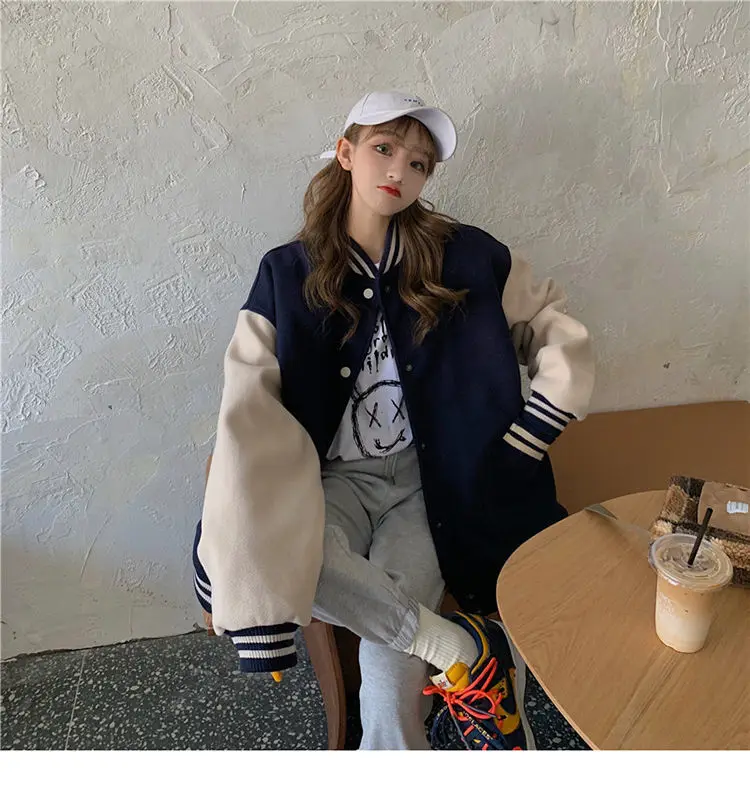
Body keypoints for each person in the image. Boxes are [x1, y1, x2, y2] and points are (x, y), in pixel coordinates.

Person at [192, 90, 595, 751]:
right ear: (346, 153)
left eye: (418, 163)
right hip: (331, 483)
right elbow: (247, 400)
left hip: (428, 485)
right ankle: (464, 648)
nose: (398, 171)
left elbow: (554, 325)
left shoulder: (469, 256)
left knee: (386, 671)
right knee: (281, 551)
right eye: (384, 149)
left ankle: (430, 681)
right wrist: (229, 538)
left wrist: (532, 432)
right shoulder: (286, 273)